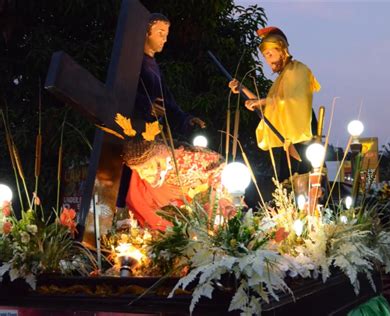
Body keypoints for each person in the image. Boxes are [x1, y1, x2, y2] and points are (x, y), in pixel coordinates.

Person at [115, 13, 206, 220]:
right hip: (134, 135)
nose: (164, 38)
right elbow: (121, 92)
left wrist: (185, 119)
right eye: (160, 33)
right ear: (146, 33)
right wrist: (146, 106)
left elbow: (168, 102)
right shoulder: (133, 62)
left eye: (166, 34)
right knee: (129, 182)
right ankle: (122, 216)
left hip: (152, 135)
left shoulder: (154, 67)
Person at [228, 26, 321, 181]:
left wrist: (260, 101)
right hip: (286, 138)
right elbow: (270, 105)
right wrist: (242, 89)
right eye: (265, 56)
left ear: (282, 49)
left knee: (300, 179)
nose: (268, 59)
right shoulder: (283, 76)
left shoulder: (297, 70)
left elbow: (294, 100)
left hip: (300, 132)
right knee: (284, 181)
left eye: (270, 54)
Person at [119, 139, 224, 230]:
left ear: (159, 157)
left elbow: (220, 169)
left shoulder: (194, 161)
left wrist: (222, 199)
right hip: (159, 204)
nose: (142, 175)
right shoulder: (144, 175)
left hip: (186, 203)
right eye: (138, 170)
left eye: (145, 168)